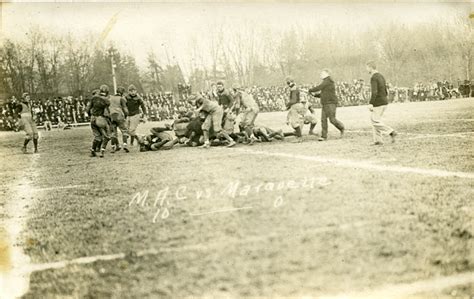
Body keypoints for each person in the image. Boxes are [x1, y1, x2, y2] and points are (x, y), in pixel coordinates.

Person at [366, 61, 397, 145]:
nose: (366, 69)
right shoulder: (381, 76)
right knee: (376, 120)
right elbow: (385, 90)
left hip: (378, 102)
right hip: (384, 101)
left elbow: (374, 91)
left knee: (374, 121)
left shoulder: (373, 77)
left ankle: (391, 132)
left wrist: (371, 103)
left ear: (370, 67)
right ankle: (378, 140)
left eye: (367, 67)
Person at [309, 69, 345, 141]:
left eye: (322, 73)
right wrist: (315, 95)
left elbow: (319, 87)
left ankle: (341, 127)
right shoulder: (326, 82)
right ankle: (324, 136)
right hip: (325, 103)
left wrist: (311, 90)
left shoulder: (328, 81)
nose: (320, 75)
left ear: (327, 74)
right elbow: (324, 93)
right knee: (323, 120)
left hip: (331, 103)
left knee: (332, 119)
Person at [86, 85, 111, 157]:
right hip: (100, 119)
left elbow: (88, 109)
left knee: (97, 137)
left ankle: (93, 151)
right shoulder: (106, 100)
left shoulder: (94, 98)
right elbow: (107, 111)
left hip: (92, 118)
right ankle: (102, 151)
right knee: (107, 136)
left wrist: (90, 115)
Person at [108, 86, 130, 153]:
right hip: (119, 115)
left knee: (113, 133)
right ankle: (125, 145)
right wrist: (126, 115)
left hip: (111, 116)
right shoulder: (122, 98)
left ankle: (113, 147)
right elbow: (125, 109)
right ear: (122, 92)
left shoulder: (110, 98)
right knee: (124, 131)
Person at [285, 77, 304, 142]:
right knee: (296, 121)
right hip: (299, 105)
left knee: (294, 122)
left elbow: (293, 100)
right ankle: (298, 135)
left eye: (287, 82)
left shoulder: (293, 88)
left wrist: (287, 105)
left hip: (296, 106)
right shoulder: (295, 87)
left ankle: (299, 137)